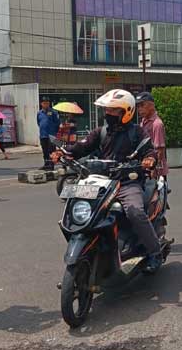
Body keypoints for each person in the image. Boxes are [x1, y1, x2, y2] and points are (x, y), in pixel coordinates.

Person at [51, 89, 163, 273]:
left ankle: (154, 252)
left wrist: (149, 159)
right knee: (75, 206)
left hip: (126, 182)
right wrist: (63, 152)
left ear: (125, 112)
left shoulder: (137, 132)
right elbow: (81, 147)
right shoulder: (100, 132)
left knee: (135, 212)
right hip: (101, 181)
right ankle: (90, 246)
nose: (108, 114)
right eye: (107, 110)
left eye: (113, 110)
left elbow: (149, 151)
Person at [136, 92, 168, 180]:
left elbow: (159, 150)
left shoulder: (157, 124)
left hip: (155, 170)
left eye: (142, 105)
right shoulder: (143, 121)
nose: (139, 109)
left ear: (151, 105)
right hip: (145, 167)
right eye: (138, 106)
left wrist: (153, 169)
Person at [37, 96, 60, 170]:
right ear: (41, 104)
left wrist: (54, 133)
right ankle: (46, 164)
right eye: (44, 103)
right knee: (45, 151)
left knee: (52, 151)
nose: (46, 105)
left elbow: (57, 123)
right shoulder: (39, 113)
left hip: (51, 135)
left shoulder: (53, 112)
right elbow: (39, 123)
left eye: (47, 103)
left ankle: (51, 165)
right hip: (43, 135)